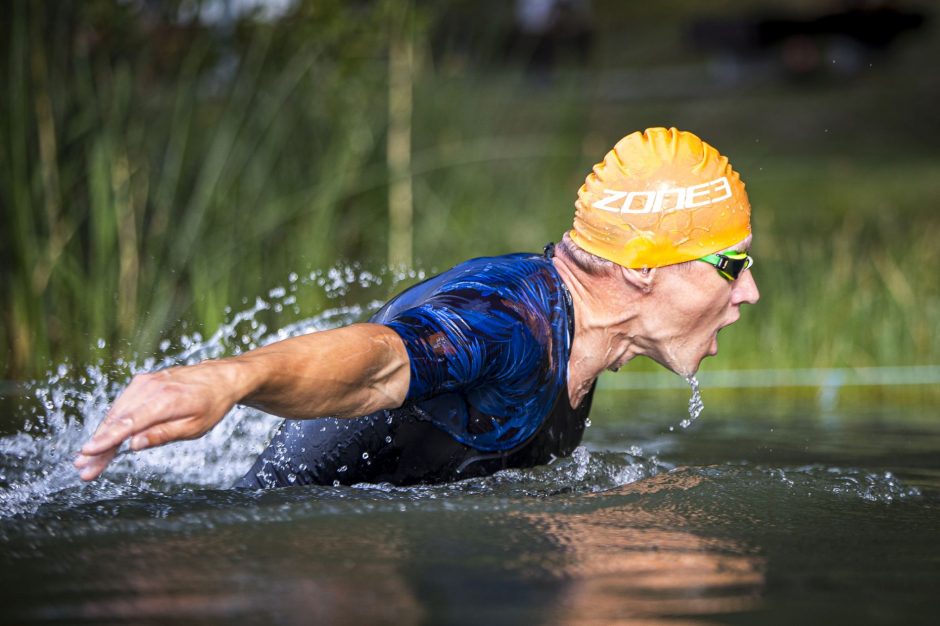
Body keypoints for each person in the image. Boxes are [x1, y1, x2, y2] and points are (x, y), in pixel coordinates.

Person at [74, 127, 759, 487]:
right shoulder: (511, 321)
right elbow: (379, 359)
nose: (749, 291)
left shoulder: (575, 336)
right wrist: (230, 378)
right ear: (641, 267)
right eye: (731, 265)